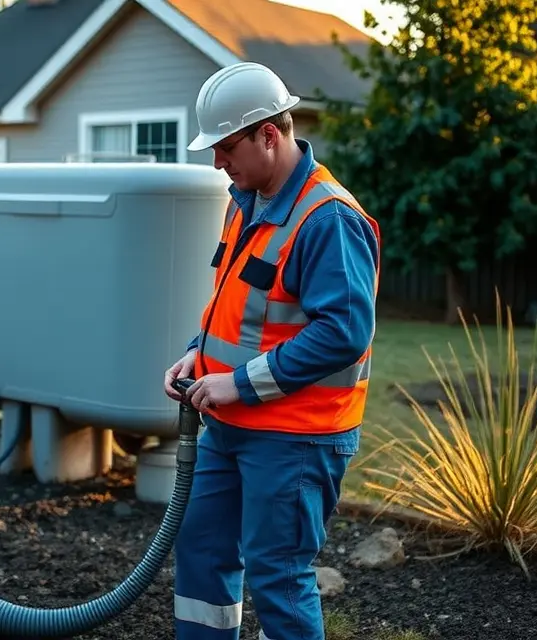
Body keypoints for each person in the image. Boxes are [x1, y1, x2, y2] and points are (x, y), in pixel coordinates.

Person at [163, 61, 381, 640]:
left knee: (277, 576)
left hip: (295, 436)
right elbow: (236, 302)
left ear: (269, 133)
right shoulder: (245, 200)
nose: (217, 163)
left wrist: (235, 382)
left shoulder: (328, 218)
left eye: (226, 146)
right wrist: (197, 356)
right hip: (232, 422)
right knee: (202, 545)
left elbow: (344, 333)